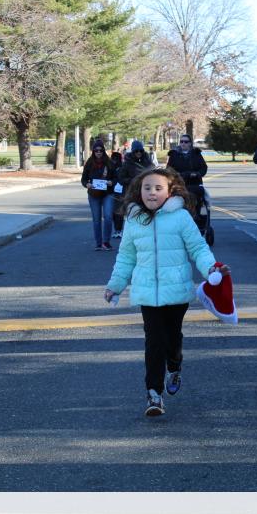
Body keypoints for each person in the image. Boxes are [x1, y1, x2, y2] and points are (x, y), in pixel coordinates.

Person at [104, 167, 229, 417]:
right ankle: (154, 393)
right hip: (147, 293)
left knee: (172, 338)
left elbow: (198, 248)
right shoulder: (133, 219)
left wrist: (211, 269)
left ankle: (174, 366)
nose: (152, 192)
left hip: (176, 291)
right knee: (154, 342)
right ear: (139, 191)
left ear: (170, 192)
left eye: (158, 188)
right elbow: (126, 257)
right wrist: (115, 285)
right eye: (147, 188)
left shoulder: (180, 217)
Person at [80, 138, 116, 250]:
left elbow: (116, 177)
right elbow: (84, 179)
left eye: (100, 150)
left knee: (108, 217)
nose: (98, 152)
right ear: (93, 151)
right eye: (96, 150)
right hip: (94, 194)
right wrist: (87, 184)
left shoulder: (109, 163)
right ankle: (98, 243)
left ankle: (106, 242)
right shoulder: (89, 163)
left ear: (103, 151)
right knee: (96, 219)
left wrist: (111, 182)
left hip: (107, 193)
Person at [109, 148, 125, 239]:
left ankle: (118, 230)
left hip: (120, 192)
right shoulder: (110, 168)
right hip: (111, 192)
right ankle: (117, 229)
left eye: (116, 159)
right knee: (112, 213)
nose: (114, 161)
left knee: (118, 212)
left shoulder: (122, 168)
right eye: (113, 158)